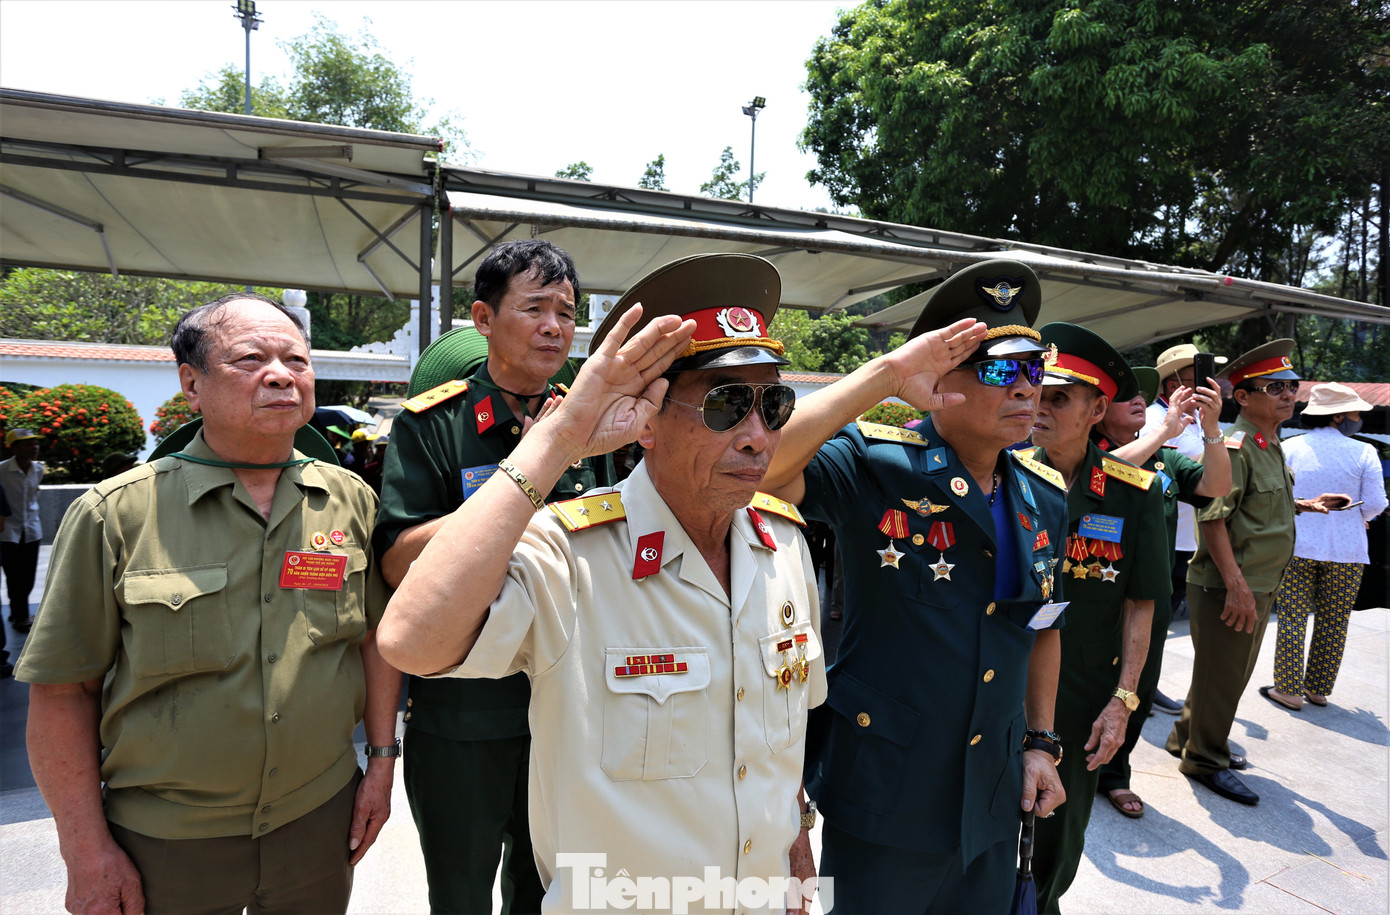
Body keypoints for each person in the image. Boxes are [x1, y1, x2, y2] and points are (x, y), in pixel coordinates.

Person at [379, 252, 899, 913]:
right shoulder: (571, 554)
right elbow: (412, 639)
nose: (757, 436)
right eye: (727, 404)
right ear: (645, 417)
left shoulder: (785, 544)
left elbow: (779, 736)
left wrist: (797, 839)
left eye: (773, 403)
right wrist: (559, 440)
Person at [16, 294, 401, 914]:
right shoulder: (117, 514)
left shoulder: (348, 499)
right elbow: (64, 691)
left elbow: (374, 642)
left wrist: (381, 761)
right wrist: (85, 851)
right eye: (250, 358)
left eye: (296, 360)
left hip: (317, 818)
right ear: (191, 384)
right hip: (167, 844)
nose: (281, 374)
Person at [760, 259, 1069, 914]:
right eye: (997, 370)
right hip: (886, 797)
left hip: (992, 797)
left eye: (1034, 370)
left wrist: (1041, 745)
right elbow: (765, 468)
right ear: (940, 383)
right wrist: (886, 377)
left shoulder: (1043, 496)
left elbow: (1042, 629)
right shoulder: (878, 463)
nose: (1025, 389)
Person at [374, 239, 614, 914]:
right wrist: (522, 486)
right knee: (460, 894)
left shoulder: (591, 423)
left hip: (565, 702)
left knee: (548, 893)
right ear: (483, 318)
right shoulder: (435, 423)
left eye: (566, 312)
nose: (554, 326)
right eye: (534, 307)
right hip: (464, 711)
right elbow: (396, 558)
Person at [1022, 323, 1172, 914]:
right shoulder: (1004, 476)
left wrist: (1125, 699)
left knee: (1059, 829)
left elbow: (1141, 602)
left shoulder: (1134, 494)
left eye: (1058, 396)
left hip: (1083, 693)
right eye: (1037, 391)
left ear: (1097, 408)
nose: (1039, 406)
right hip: (1000, 681)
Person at [1165, 339, 1343, 805]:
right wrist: (1237, 587)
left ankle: (1185, 738)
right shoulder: (1236, 445)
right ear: (1242, 397)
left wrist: (1305, 505)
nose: (1288, 394)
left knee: (1219, 674)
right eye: (1275, 387)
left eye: (1292, 385)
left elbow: (1254, 508)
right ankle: (1205, 759)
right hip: (1230, 585)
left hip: (1257, 582)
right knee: (1224, 678)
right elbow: (1214, 517)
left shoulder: (1269, 444)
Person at [1092, 366, 1231, 818]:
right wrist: (1165, 429)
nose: (1139, 400)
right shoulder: (1082, 453)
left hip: (1145, 599)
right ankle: (1063, 764)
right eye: (1126, 394)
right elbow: (1104, 473)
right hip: (1089, 594)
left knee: (1137, 689)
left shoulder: (1166, 460)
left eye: (1144, 396)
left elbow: (1216, 486)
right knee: (1080, 686)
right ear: (1096, 410)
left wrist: (1211, 431)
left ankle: (1114, 773)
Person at [1262, 382, 1387, 710]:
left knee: (1292, 617)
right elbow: (1376, 503)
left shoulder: (1289, 447)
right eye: (1355, 412)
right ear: (1338, 417)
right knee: (1335, 620)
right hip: (1347, 551)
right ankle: (1317, 689)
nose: (1358, 418)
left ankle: (1288, 689)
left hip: (1297, 545)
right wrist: (1361, 516)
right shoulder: (1363, 452)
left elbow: (1277, 497)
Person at [1144, 344, 1226, 714]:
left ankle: (1146, 682)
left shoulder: (1201, 421)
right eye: (1194, 381)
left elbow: (1215, 483)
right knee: (1149, 615)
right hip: (1157, 535)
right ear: (1169, 384)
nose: (1205, 387)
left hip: (1184, 536)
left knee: (1162, 617)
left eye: (1208, 379)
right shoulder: (1150, 420)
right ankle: (1138, 685)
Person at [1, 427, 44, 634]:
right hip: (8, 531)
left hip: (32, 529)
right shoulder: (1, 470)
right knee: (15, 576)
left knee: (28, 577)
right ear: (14, 448)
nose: (34, 447)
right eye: (28, 443)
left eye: (35, 443)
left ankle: (16, 610)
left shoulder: (38, 470)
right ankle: (21, 617)